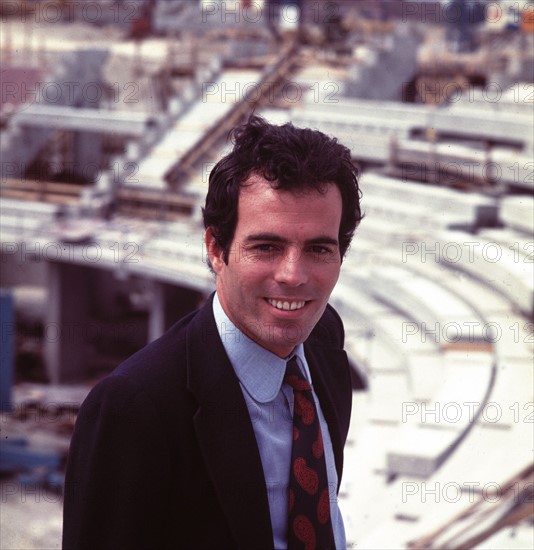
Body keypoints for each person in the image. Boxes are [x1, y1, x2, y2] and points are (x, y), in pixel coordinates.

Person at [62, 115, 363, 550]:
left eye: (319, 248)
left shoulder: (323, 341)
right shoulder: (134, 407)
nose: (294, 275)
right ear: (216, 249)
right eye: (266, 247)